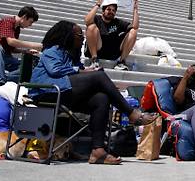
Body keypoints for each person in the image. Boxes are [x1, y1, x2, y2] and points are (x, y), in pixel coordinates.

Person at [29, 21, 156, 165]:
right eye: (79, 35)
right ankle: (131, 113)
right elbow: (55, 70)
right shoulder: (53, 50)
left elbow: (79, 75)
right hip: (47, 91)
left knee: (101, 98)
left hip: (65, 92)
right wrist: (84, 71)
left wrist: (91, 75)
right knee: (98, 76)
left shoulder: (72, 55)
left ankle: (98, 151)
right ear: (68, 36)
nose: (82, 37)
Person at [0, 6, 41, 85]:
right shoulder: (7, 21)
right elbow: (11, 42)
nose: (30, 25)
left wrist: (25, 51)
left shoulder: (17, 29)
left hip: (5, 58)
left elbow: (11, 48)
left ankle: (0, 77)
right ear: (24, 17)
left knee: (28, 65)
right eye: (30, 22)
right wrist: (33, 45)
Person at [84, 0, 139, 70]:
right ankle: (94, 60)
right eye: (108, 9)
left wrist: (135, 9)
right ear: (103, 11)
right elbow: (87, 21)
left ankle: (121, 62)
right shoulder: (97, 19)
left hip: (112, 53)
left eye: (113, 10)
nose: (111, 12)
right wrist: (98, 4)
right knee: (91, 27)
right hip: (98, 49)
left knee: (133, 32)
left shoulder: (117, 22)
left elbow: (135, 27)